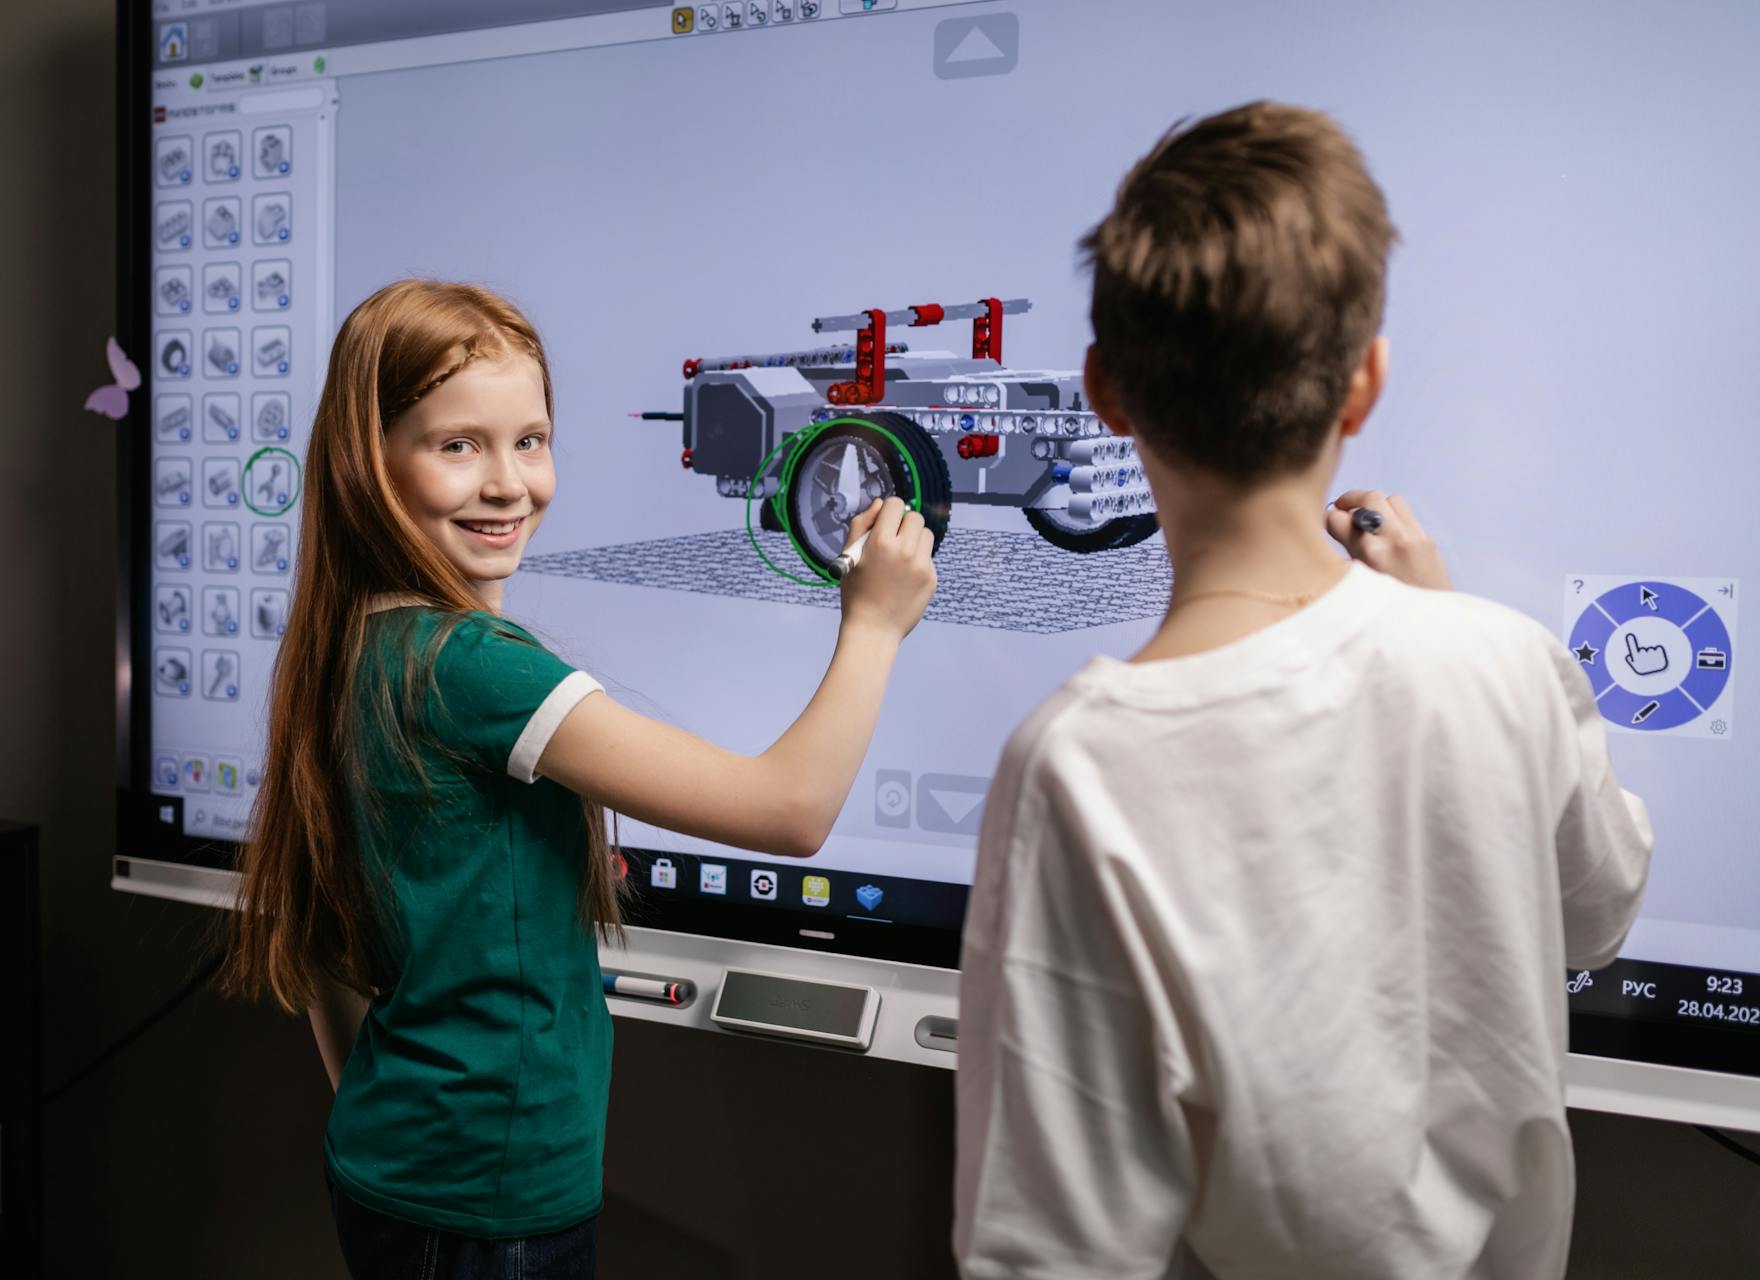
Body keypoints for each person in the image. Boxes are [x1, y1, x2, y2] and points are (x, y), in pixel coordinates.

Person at [952, 103, 1652, 1279]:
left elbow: (1049, 1250)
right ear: (1363, 384)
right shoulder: (1508, 658)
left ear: (1105, 392)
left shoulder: (1079, 762)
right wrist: (1441, 617)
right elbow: (1596, 914)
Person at [222, 279, 937, 1279]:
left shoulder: (357, 643)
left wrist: (399, 1118)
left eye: (531, 440)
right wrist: (872, 623)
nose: (511, 483)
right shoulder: (474, 667)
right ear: (367, 463)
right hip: (488, 1205)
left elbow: (324, 942)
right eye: (457, 444)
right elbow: (791, 808)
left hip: (398, 1168)